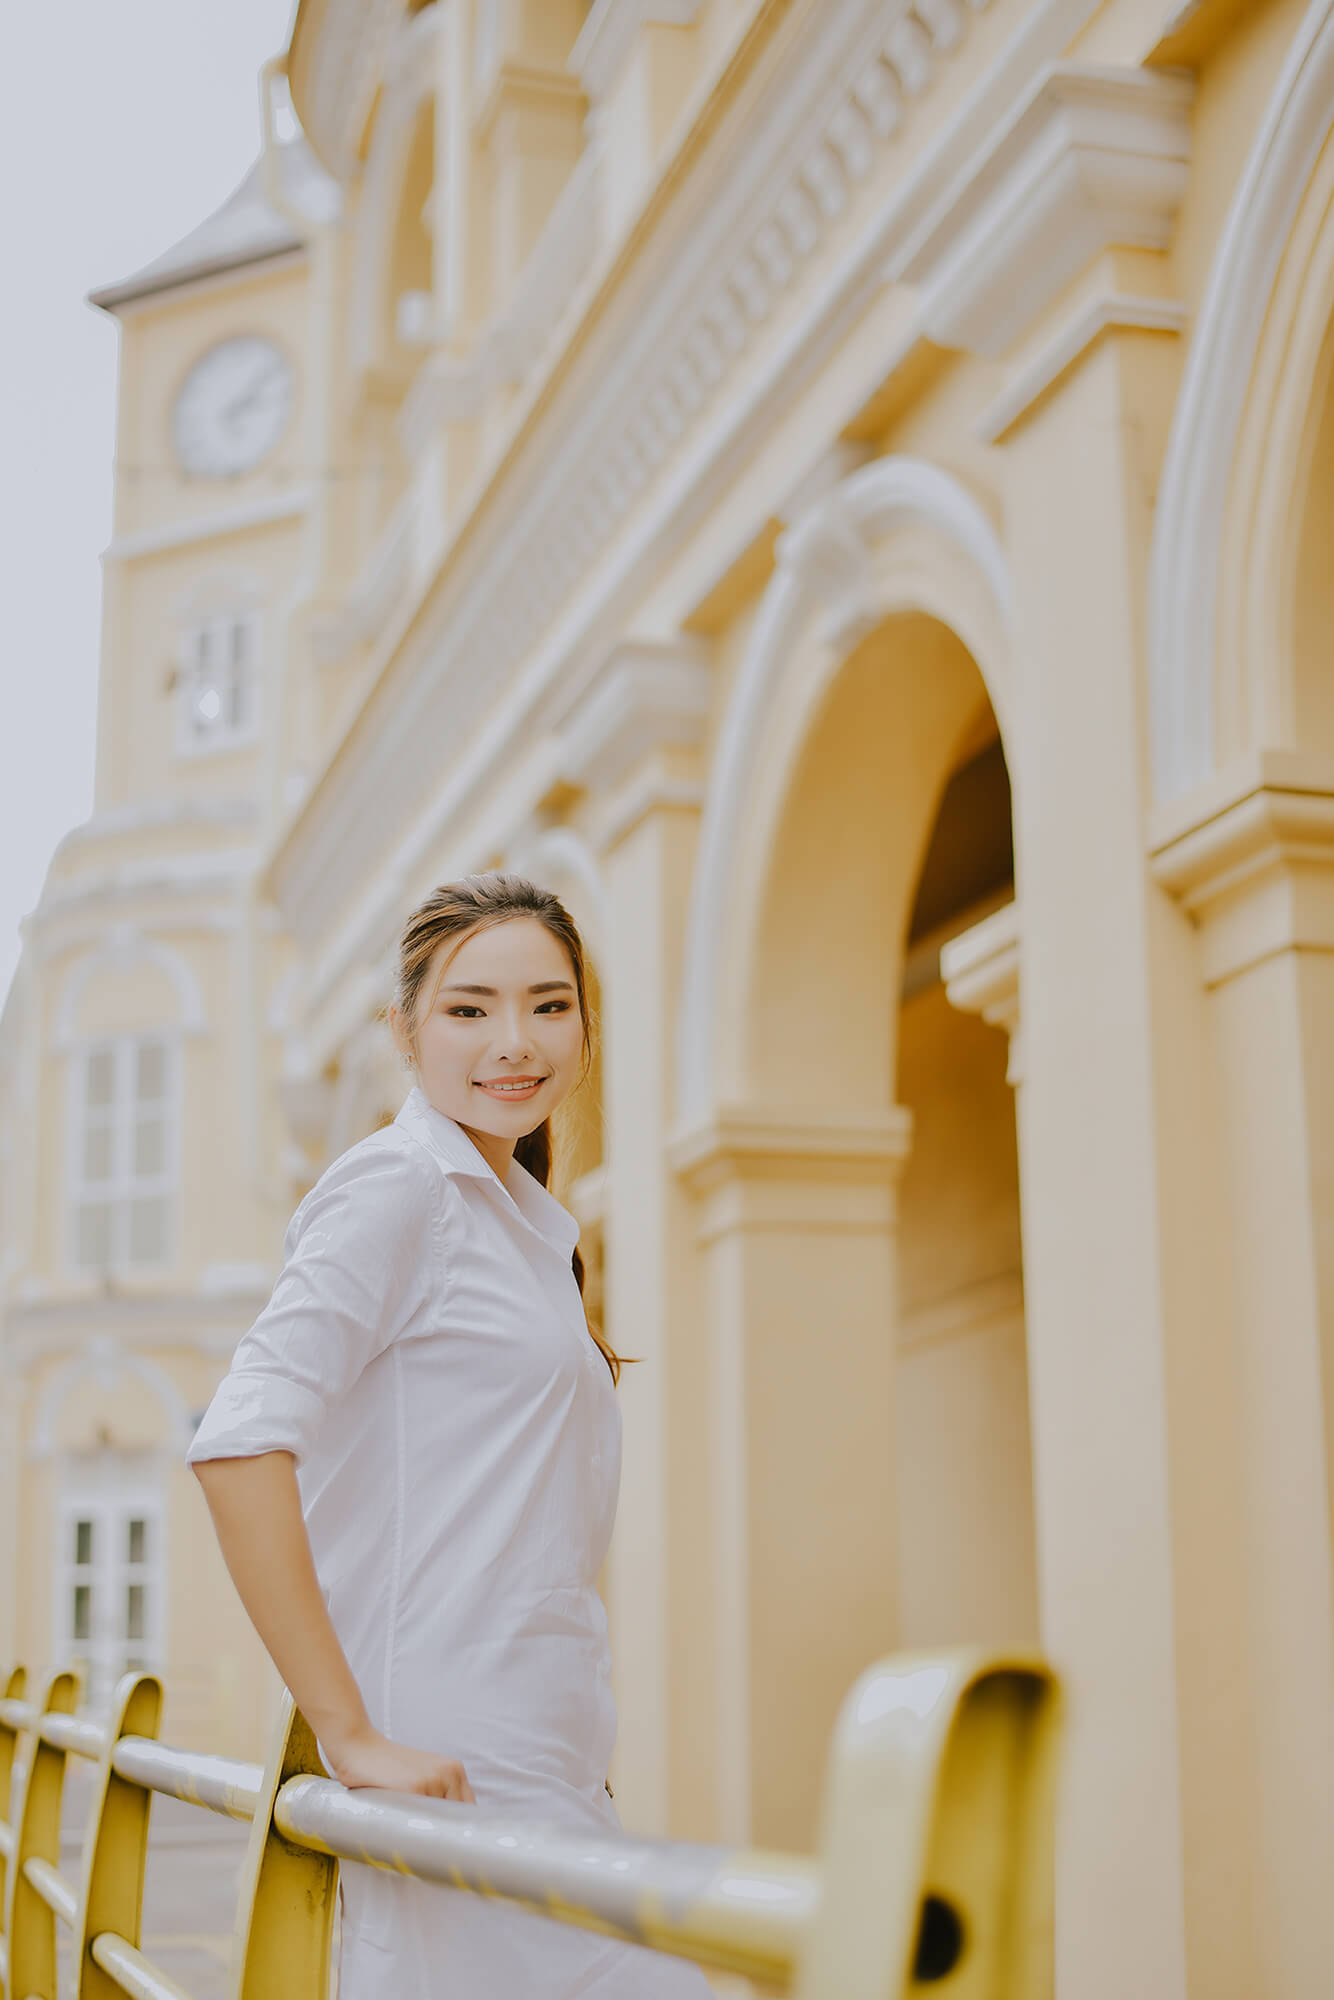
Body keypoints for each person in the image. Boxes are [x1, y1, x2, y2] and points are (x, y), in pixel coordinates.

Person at [188, 874, 710, 1997]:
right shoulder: (398, 1186)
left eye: (549, 1003)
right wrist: (350, 1732)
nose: (513, 1040)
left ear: (584, 1021)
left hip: (545, 1756)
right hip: (446, 1764)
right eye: (469, 1007)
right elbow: (239, 1441)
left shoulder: (517, 1219)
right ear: (404, 1028)